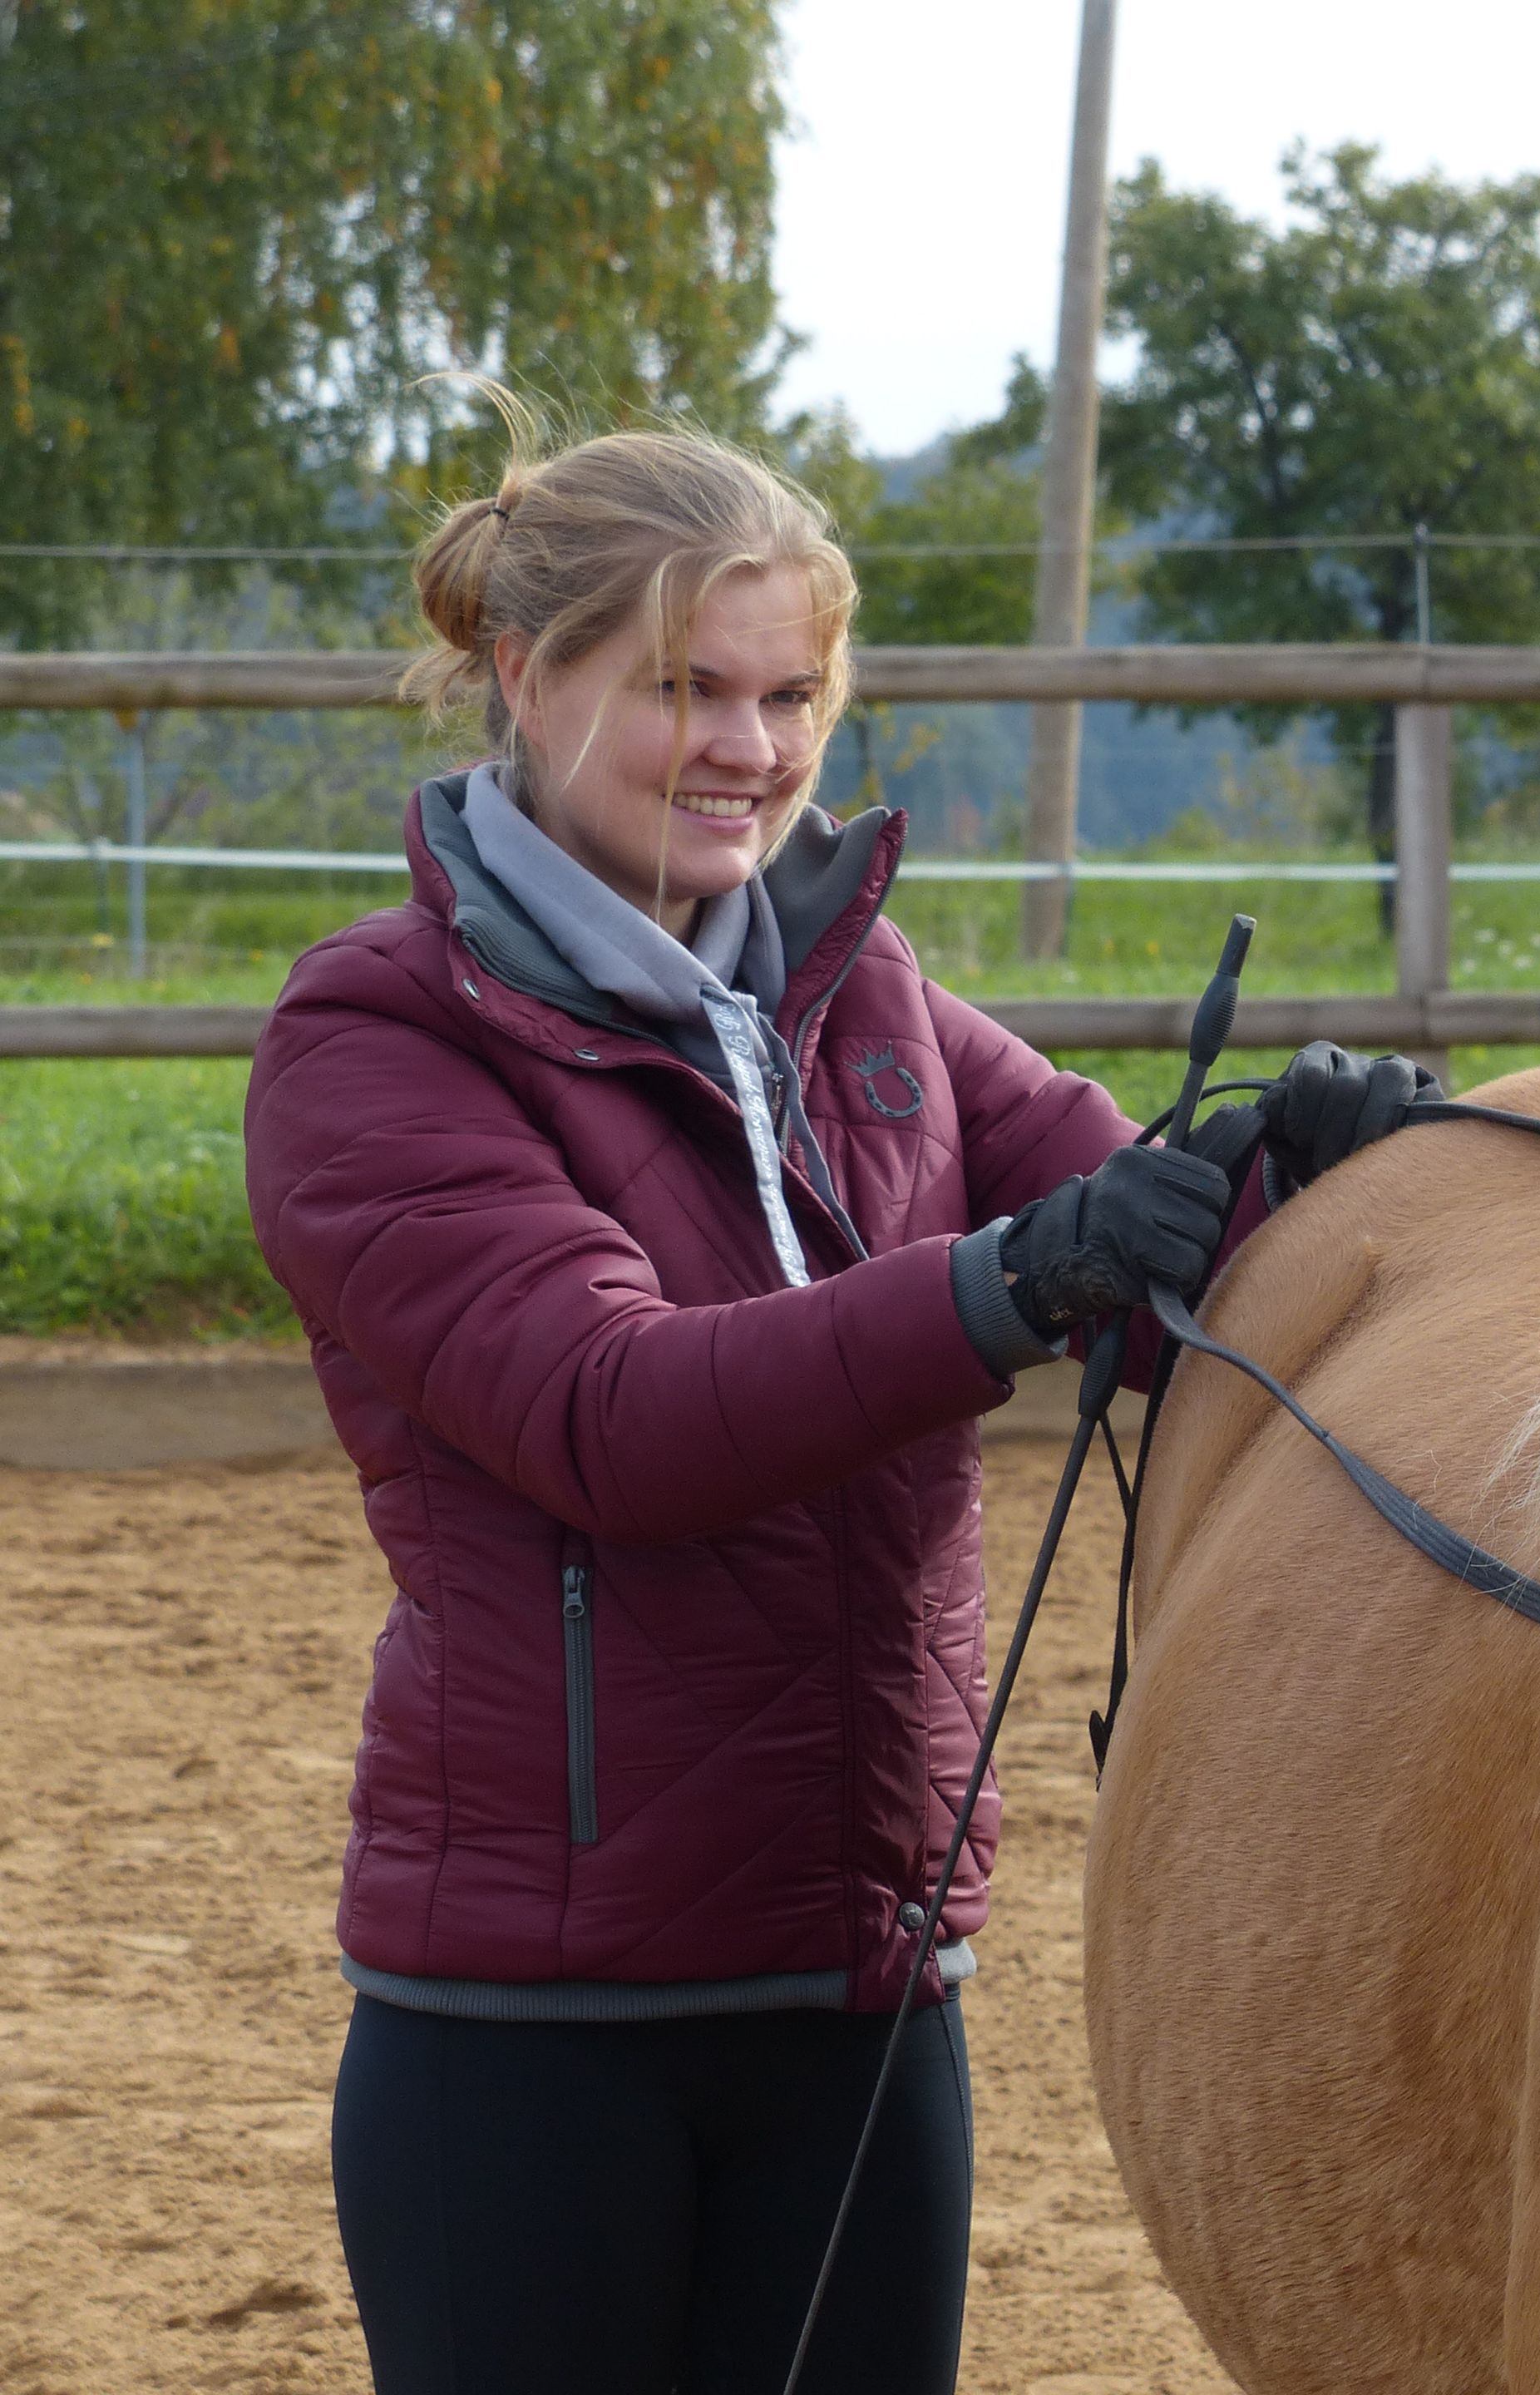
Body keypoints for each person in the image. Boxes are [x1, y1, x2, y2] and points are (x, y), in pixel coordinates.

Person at [242, 418, 1437, 2395]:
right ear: (529, 681)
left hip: (871, 1986)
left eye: (792, 694)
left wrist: (1315, 1186)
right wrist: (1017, 1275)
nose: (751, 745)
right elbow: (611, 1416)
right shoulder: (373, 1038)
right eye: (684, 690)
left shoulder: (862, 996)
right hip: (538, 2031)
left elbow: (1150, 1266)